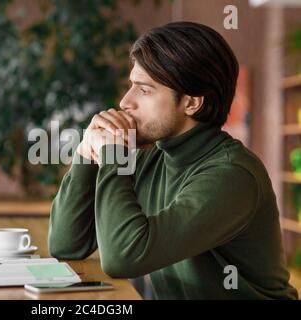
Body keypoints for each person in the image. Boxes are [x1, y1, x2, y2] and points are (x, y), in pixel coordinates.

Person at [48, 21, 298, 299]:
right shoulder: (152, 156)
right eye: (131, 86)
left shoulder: (231, 175)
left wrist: (112, 154)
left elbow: (123, 258)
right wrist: (86, 154)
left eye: (144, 90)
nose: (125, 102)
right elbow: (66, 245)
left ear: (191, 102)